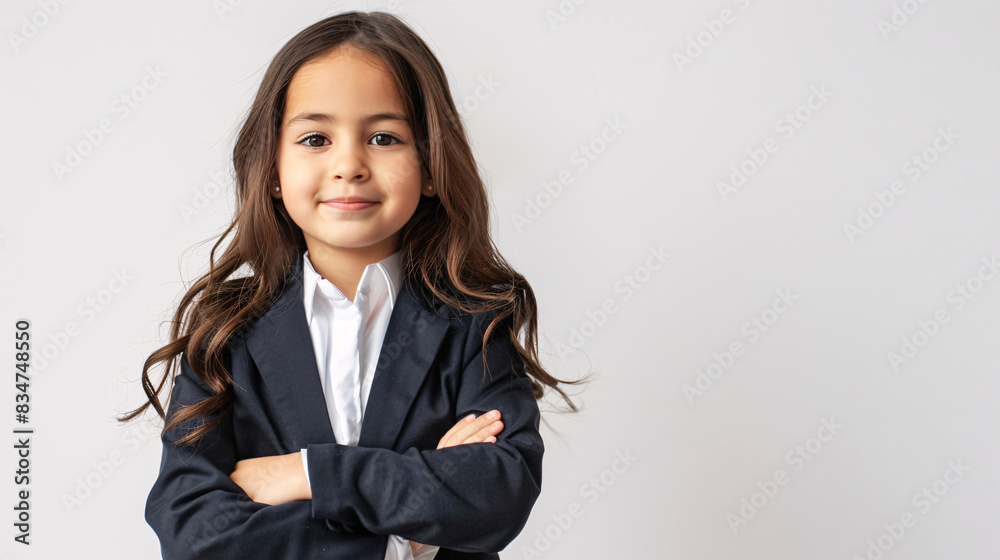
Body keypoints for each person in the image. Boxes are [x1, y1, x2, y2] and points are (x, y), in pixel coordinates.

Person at [118, 10, 582, 560]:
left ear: (432, 165)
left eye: (384, 137)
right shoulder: (225, 328)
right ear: (271, 169)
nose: (349, 164)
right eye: (315, 138)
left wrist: (310, 474)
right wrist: (406, 533)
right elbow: (194, 533)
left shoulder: (476, 319)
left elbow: (497, 492)